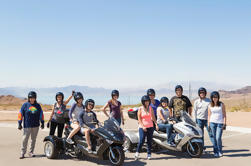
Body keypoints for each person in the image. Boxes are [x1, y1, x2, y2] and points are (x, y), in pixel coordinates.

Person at [18, 91, 44, 159]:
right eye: (30, 98)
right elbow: (20, 114)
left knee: (33, 139)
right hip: (27, 125)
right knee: (25, 139)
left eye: (33, 98)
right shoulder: (25, 105)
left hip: (35, 125)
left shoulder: (38, 106)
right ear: (28, 98)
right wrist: (19, 123)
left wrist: (42, 122)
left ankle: (31, 152)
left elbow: (41, 114)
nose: (32, 99)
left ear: (35, 98)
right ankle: (22, 153)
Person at [135, 95, 159, 160]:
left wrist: (156, 124)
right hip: (142, 127)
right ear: (143, 102)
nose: (147, 102)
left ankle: (149, 154)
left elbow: (153, 117)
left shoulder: (150, 108)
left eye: (148, 101)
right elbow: (139, 119)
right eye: (145, 101)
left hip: (150, 126)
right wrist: (143, 126)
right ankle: (137, 152)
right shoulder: (140, 108)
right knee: (141, 140)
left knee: (149, 141)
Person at [208, 91, 227, 157]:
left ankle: (220, 151)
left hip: (220, 123)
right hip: (212, 123)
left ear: (218, 97)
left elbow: (224, 114)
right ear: (211, 98)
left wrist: (225, 123)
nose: (214, 98)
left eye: (216, 97)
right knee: (214, 138)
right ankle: (215, 151)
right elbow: (209, 115)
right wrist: (208, 124)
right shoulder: (210, 105)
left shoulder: (222, 104)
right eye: (213, 97)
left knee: (218, 137)